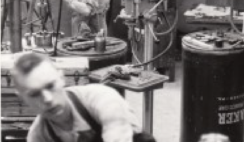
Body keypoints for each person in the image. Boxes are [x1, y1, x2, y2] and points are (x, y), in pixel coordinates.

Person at [11, 52, 155, 142]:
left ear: (61, 78)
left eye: (50, 86)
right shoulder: (39, 136)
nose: (47, 99)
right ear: (22, 98)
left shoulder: (102, 99)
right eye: (35, 94)